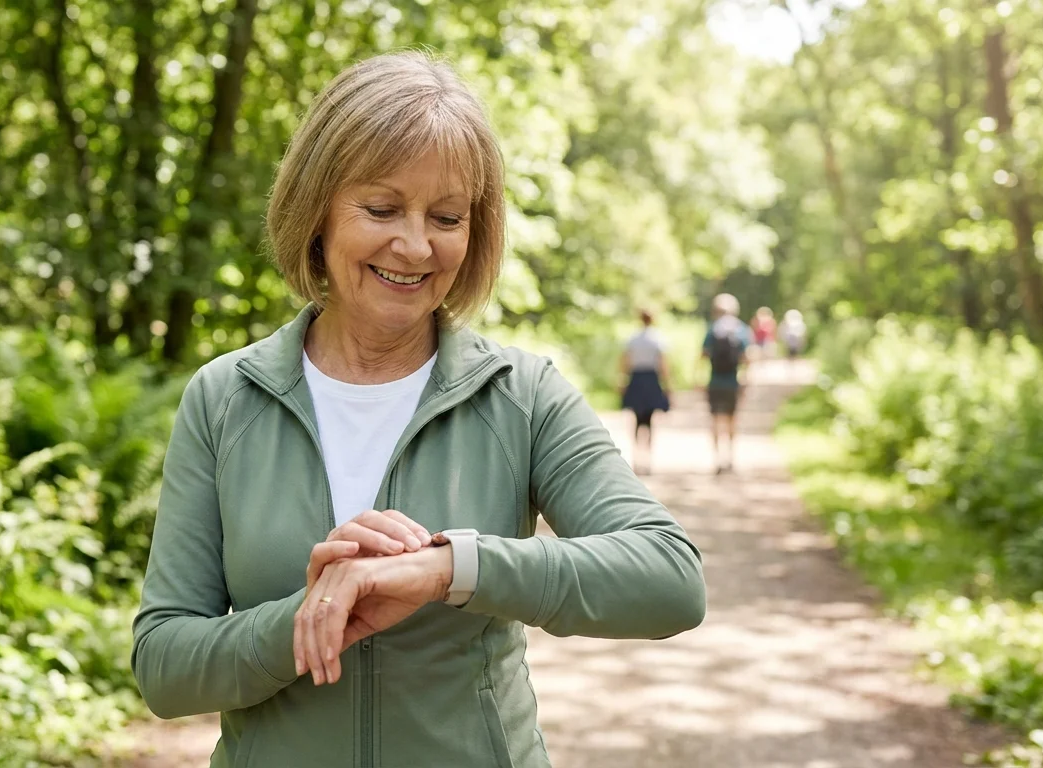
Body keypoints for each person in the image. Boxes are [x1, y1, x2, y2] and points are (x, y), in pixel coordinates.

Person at [131, 52, 705, 768]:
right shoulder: (225, 399)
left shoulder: (522, 394)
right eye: (380, 208)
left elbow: (670, 579)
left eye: (446, 217)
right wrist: (312, 618)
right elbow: (163, 666)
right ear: (317, 209)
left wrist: (451, 569)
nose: (415, 245)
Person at [701, 293, 750, 474]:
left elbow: (703, 356)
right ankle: (730, 457)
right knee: (732, 420)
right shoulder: (741, 330)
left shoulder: (712, 330)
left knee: (715, 420)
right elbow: (747, 359)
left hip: (715, 381)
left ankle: (717, 460)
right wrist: (746, 379)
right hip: (732, 382)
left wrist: (699, 379)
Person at [619, 308, 670, 475]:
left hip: (636, 379)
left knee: (636, 419)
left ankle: (636, 459)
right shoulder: (657, 339)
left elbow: (626, 361)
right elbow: (663, 364)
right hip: (651, 379)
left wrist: (622, 380)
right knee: (649, 421)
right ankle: (647, 460)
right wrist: (668, 385)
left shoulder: (633, 339)